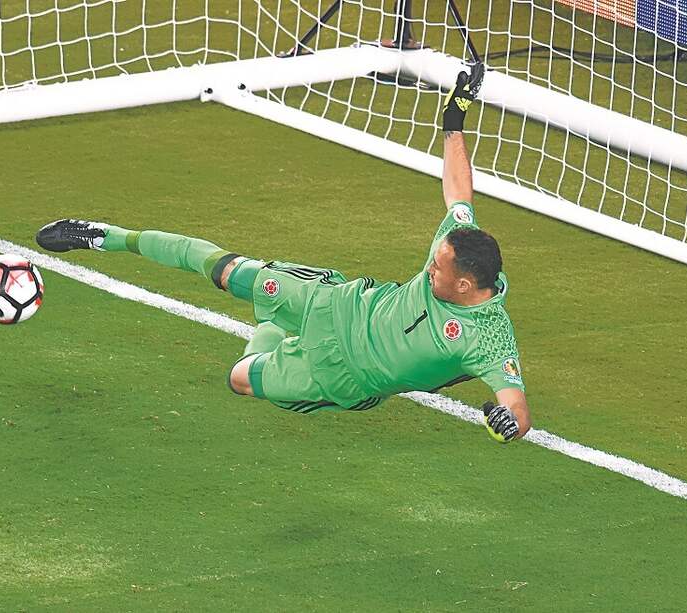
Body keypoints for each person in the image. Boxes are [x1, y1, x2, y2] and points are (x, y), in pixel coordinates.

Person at [35, 63, 531, 443]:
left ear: (465, 285)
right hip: (333, 303)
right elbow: (459, 196)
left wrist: (507, 423)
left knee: (239, 379)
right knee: (226, 270)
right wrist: (453, 121)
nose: (428, 268)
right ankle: (105, 235)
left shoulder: (489, 337)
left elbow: (518, 408)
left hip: (342, 377)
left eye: (437, 268)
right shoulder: (461, 244)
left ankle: (273, 325)